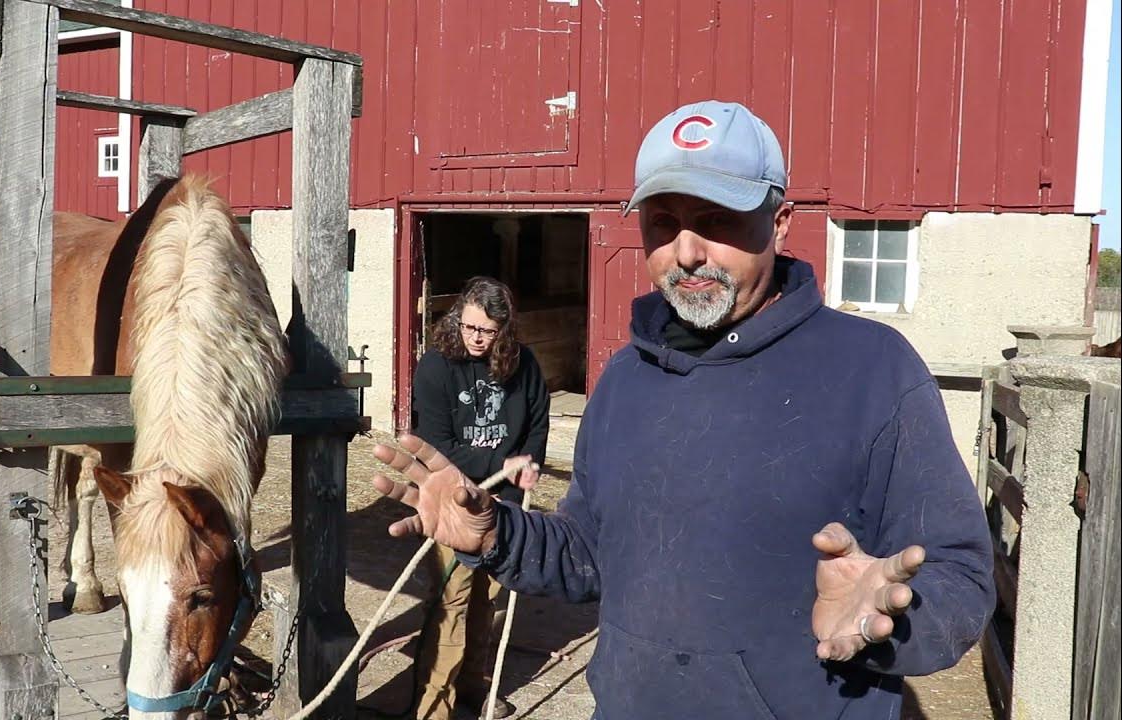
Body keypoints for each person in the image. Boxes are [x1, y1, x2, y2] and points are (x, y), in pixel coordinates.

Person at [373, 101, 995, 719]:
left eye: (717, 219)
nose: (687, 251)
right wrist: (498, 534)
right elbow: (588, 555)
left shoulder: (875, 371)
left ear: (780, 223)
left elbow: (961, 581)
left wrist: (886, 619)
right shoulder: (625, 380)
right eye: (663, 222)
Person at [410, 276, 549, 720]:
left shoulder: (522, 365)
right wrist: (501, 463)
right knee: (452, 599)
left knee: (487, 598)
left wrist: (529, 462)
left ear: (503, 331)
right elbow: (437, 443)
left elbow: (539, 419)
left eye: (486, 331)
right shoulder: (435, 368)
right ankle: (437, 705)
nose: (475, 338)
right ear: (458, 320)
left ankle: (472, 687)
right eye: (469, 327)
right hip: (453, 501)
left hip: (503, 504)